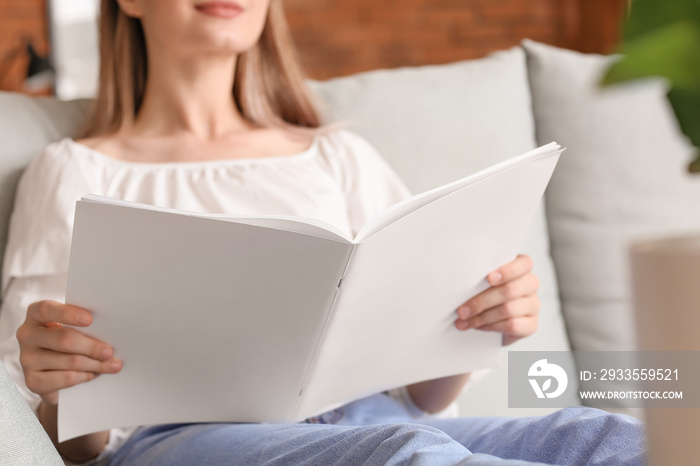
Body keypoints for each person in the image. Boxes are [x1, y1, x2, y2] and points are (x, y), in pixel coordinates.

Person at [0, 0, 646, 464]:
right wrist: (61, 391)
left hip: (377, 417)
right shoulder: (74, 171)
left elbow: (421, 395)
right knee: (407, 455)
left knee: (600, 434)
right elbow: (70, 446)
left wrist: (480, 319)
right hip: (184, 439)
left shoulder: (337, 156)